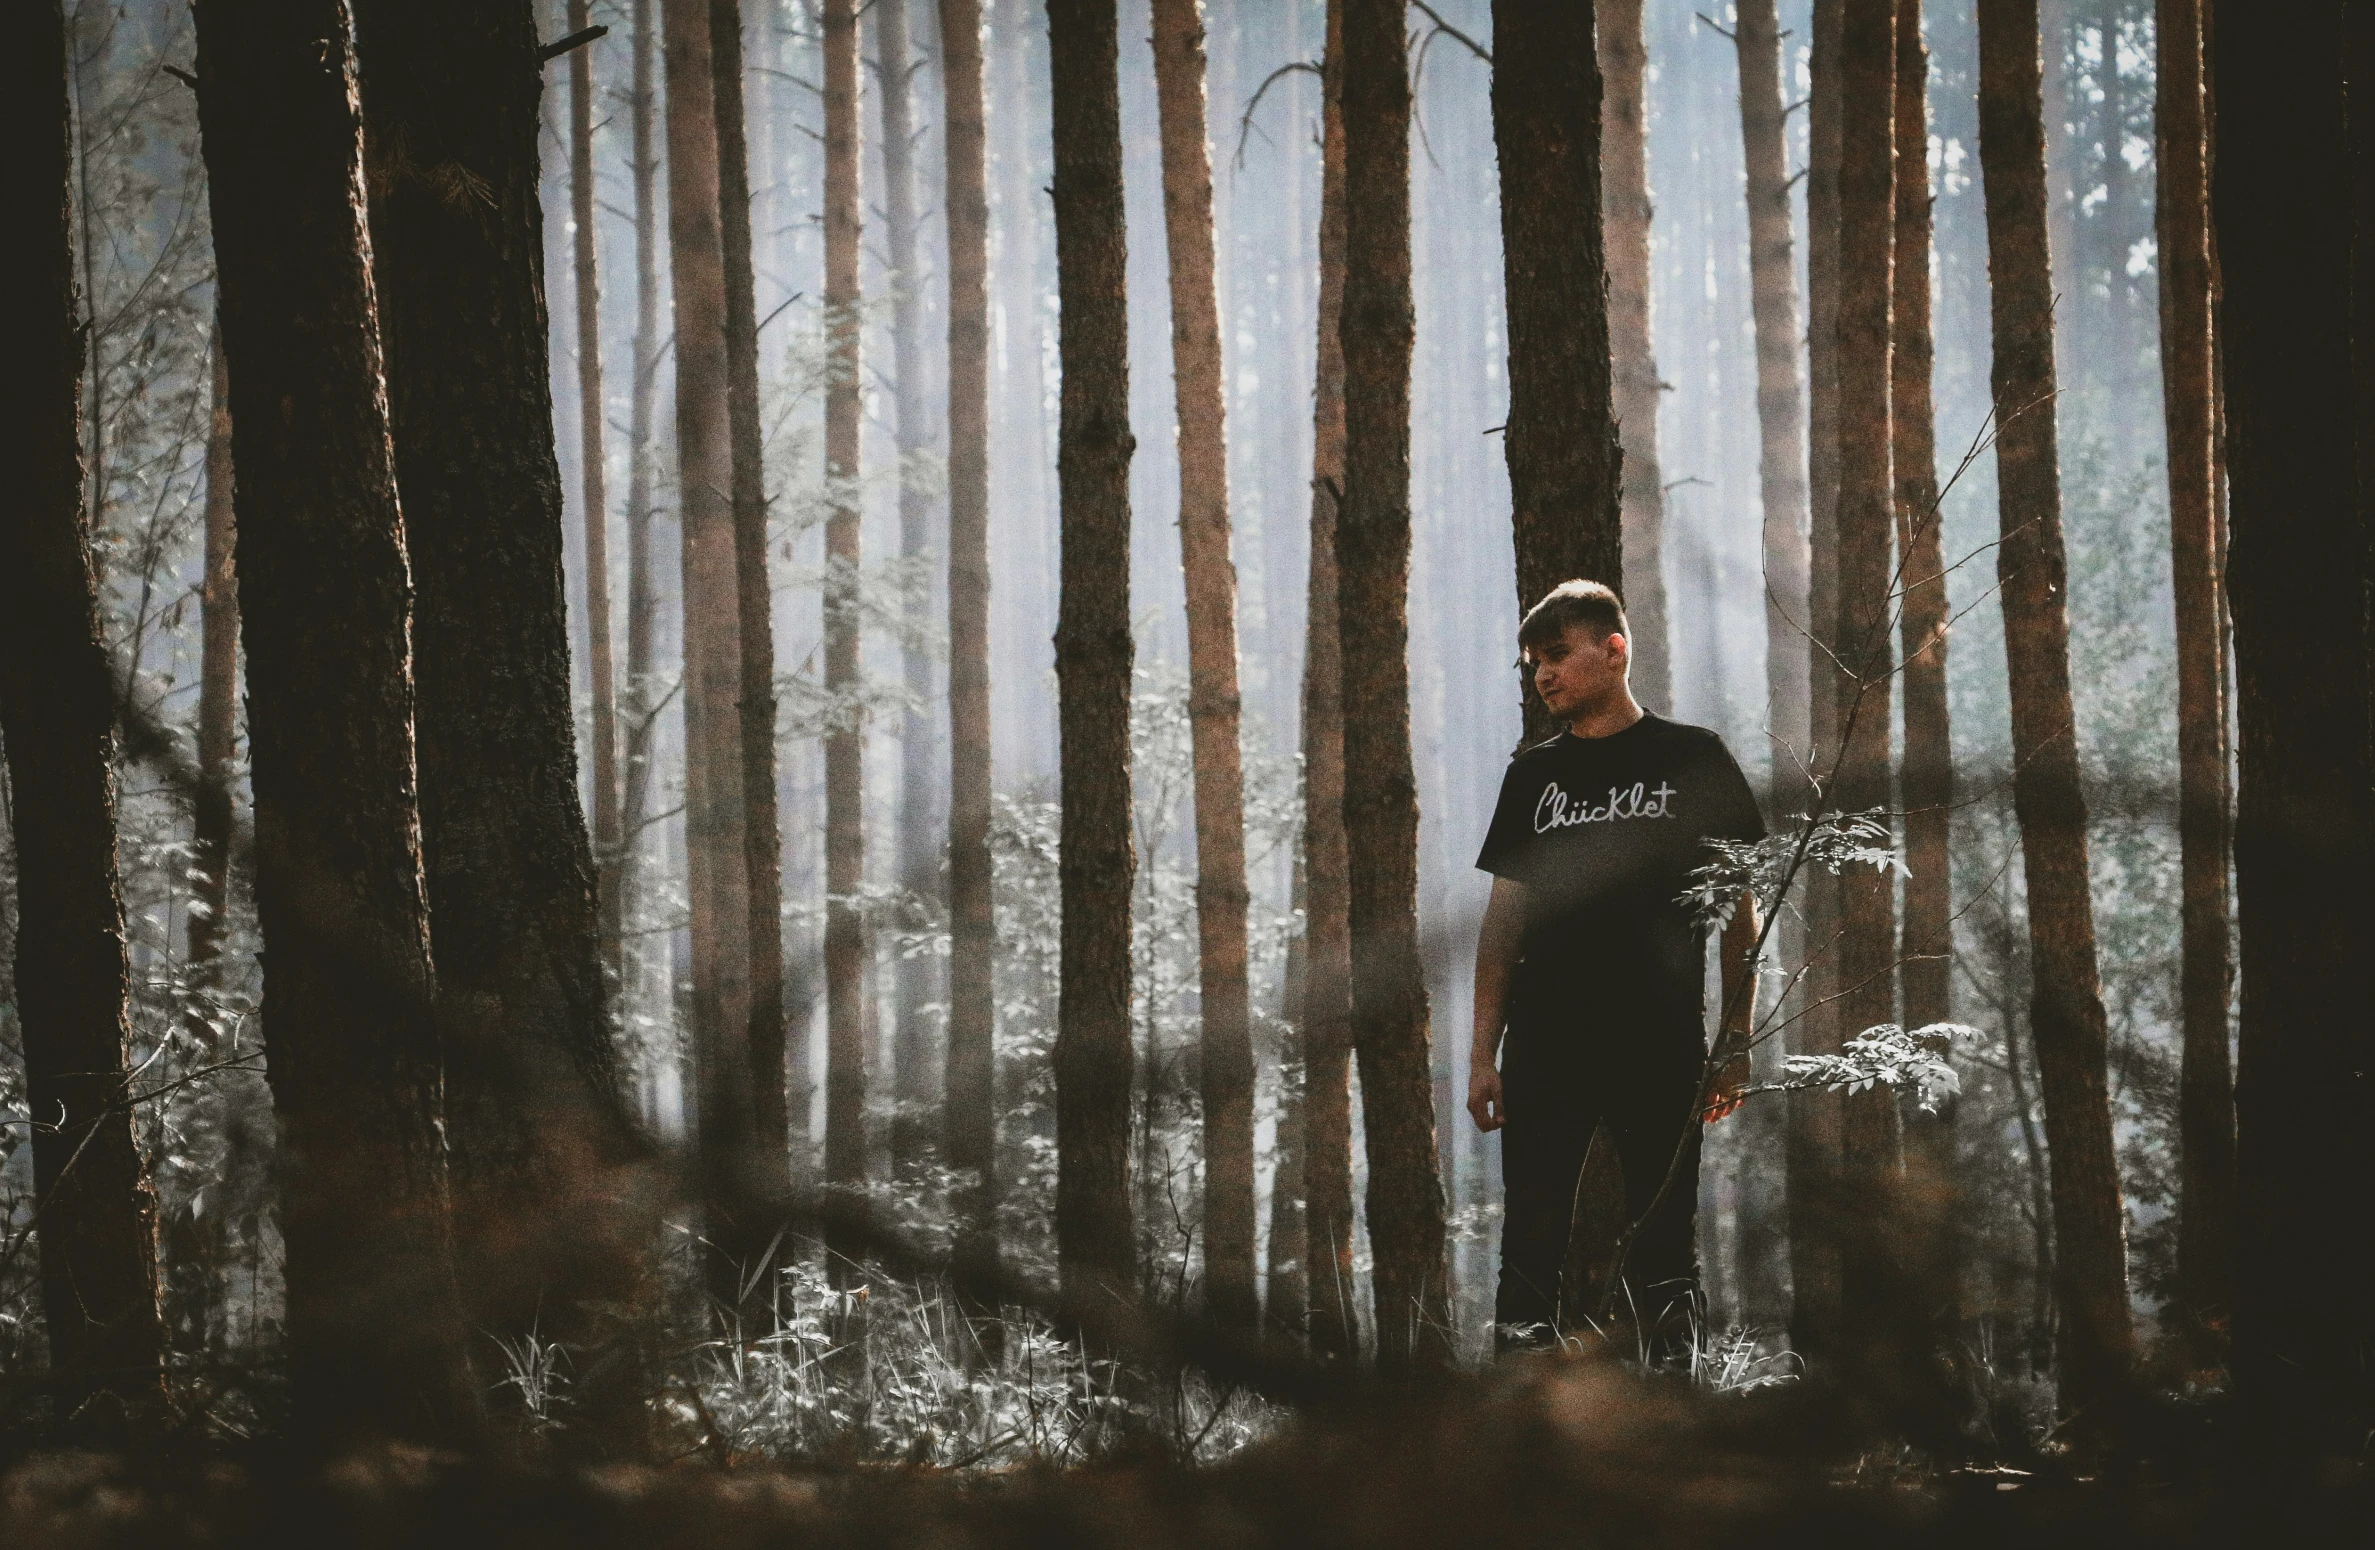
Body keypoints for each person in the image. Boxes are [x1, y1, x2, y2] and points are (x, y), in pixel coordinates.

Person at [1469, 579, 1766, 1355]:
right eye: (1532, 662)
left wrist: (1734, 1044)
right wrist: (1480, 1052)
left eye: (1557, 655)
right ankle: (1517, 1423)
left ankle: (1674, 1420)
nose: (1542, 675)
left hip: (1661, 1045)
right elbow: (1502, 922)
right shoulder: (1532, 776)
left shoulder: (1693, 759)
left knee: (1666, 1245)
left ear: (1614, 649)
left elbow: (1739, 914)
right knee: (1528, 1244)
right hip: (1544, 1048)